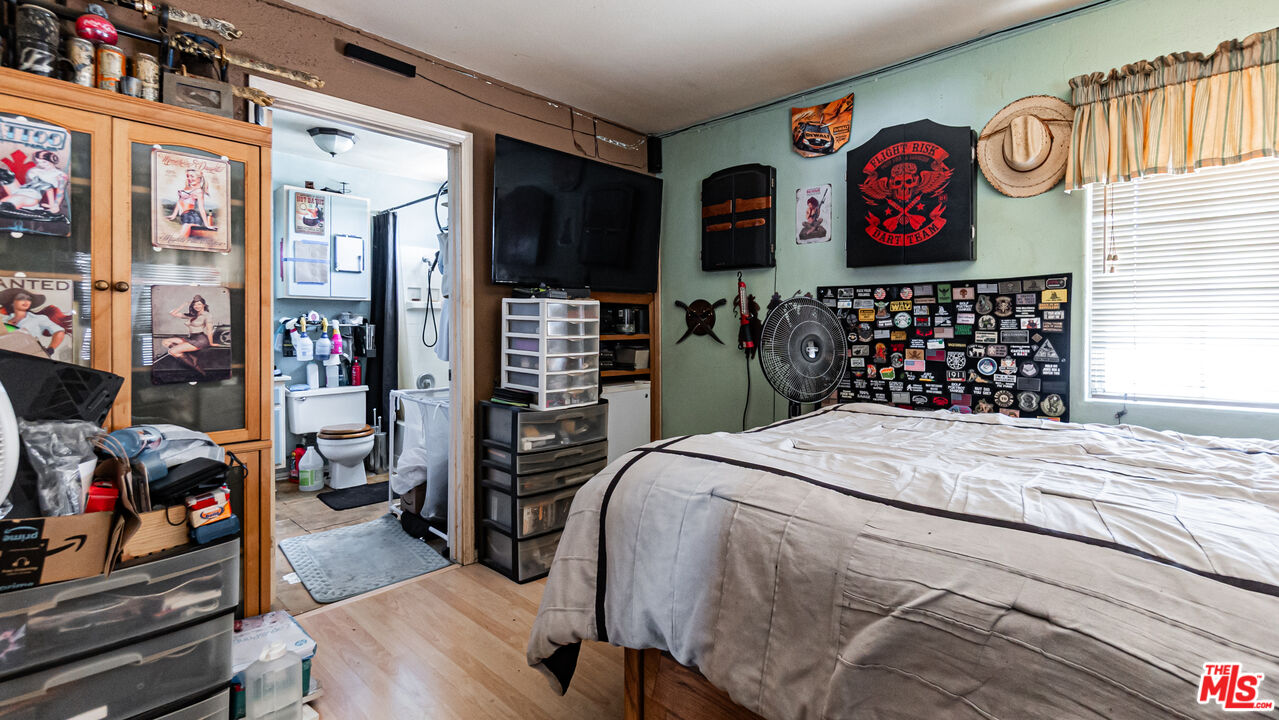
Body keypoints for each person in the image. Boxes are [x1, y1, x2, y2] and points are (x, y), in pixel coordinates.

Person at [0, 150, 68, 219]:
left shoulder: (60, 175)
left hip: (32, 197)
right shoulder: (35, 170)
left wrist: (55, 205)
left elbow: (60, 192)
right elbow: (28, 185)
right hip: (19, 190)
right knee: (4, 174)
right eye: (38, 162)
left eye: (44, 162)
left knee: (3, 207)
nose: (41, 164)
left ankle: (40, 215)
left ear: (52, 160)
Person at [0, 288, 65, 356]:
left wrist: (51, 349)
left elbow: (59, 331)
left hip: (31, 355)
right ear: (12, 302)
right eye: (21, 298)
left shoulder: (38, 319)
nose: (26, 301)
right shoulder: (3, 320)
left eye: (29, 299)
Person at [163, 294, 215, 375]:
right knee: (166, 342)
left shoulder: (207, 315)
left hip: (200, 339)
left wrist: (211, 343)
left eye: (199, 304)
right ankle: (192, 357)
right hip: (192, 338)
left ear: (203, 305)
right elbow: (173, 313)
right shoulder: (192, 315)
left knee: (173, 351)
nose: (196, 306)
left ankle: (199, 370)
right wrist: (184, 304)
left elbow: (209, 330)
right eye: (194, 304)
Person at [167, 168, 213, 238]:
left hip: (191, 217)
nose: (189, 178)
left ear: (199, 178)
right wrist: (173, 215)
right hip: (186, 216)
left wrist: (206, 224)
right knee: (182, 238)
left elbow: (201, 208)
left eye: (192, 176)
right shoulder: (187, 188)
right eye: (187, 176)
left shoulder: (198, 191)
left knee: (181, 237)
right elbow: (180, 201)